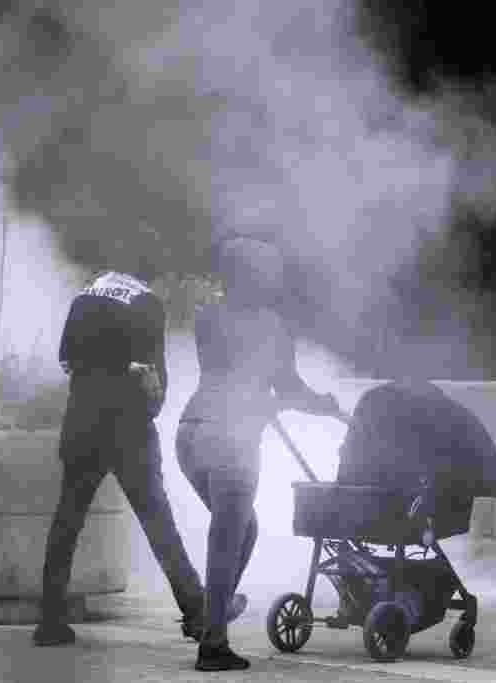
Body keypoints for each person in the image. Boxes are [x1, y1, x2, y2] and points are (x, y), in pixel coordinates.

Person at [33, 255, 245, 646]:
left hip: (80, 425)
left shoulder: (84, 295)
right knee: (158, 523)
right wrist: (149, 408)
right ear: (156, 274)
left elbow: (66, 359)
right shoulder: (146, 302)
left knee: (67, 522)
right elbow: (154, 377)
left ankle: (49, 621)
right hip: (128, 429)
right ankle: (197, 612)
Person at [176, 232, 342, 671]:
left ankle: (218, 608)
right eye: (269, 275)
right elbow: (286, 388)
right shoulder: (270, 325)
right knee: (227, 539)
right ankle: (213, 643)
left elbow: (233, 370)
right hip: (231, 442)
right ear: (255, 278)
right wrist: (322, 405)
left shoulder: (208, 316)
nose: (276, 282)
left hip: (191, 437)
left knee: (242, 530)